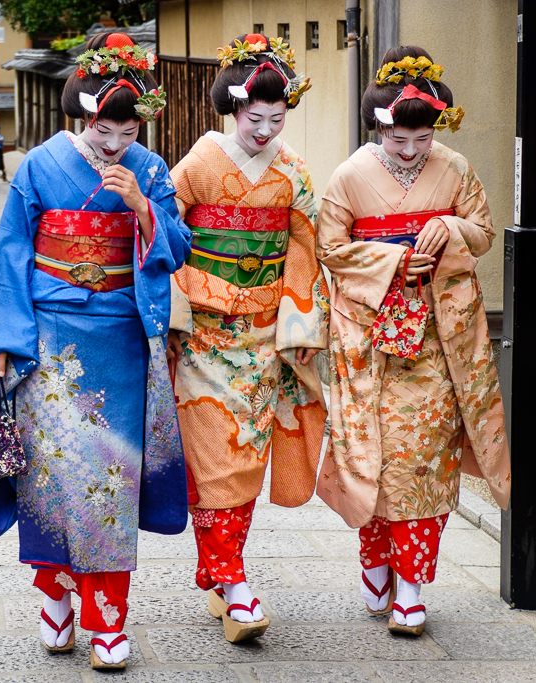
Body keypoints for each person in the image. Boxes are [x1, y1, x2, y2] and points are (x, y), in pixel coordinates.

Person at [0, 31, 191, 671]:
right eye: (104, 130)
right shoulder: (40, 165)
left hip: (120, 341)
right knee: (51, 474)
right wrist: (2, 340)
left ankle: (107, 619)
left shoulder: (150, 169)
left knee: (108, 481)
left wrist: (142, 207)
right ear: (82, 114)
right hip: (50, 344)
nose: (115, 144)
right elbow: (11, 252)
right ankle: (55, 598)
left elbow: (178, 248)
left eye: (128, 131)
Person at [315, 47, 510, 637]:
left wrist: (448, 226)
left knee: (425, 460)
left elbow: (483, 233)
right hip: (371, 337)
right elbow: (330, 248)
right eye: (399, 139)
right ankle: (376, 559)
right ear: (379, 127)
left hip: (438, 337)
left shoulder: (455, 168)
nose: (410, 151)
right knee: (376, 456)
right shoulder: (350, 176)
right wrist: (394, 261)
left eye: (422, 139)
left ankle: (411, 586)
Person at [169, 32, 327, 644]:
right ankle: (235, 584)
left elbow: (305, 247)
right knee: (216, 459)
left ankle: (219, 570)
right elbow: (165, 237)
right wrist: (175, 316)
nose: (264, 130)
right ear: (232, 109)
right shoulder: (199, 163)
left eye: (276, 119)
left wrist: (301, 325)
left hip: (263, 338)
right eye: (254, 118)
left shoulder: (293, 171)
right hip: (205, 336)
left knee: (244, 462)